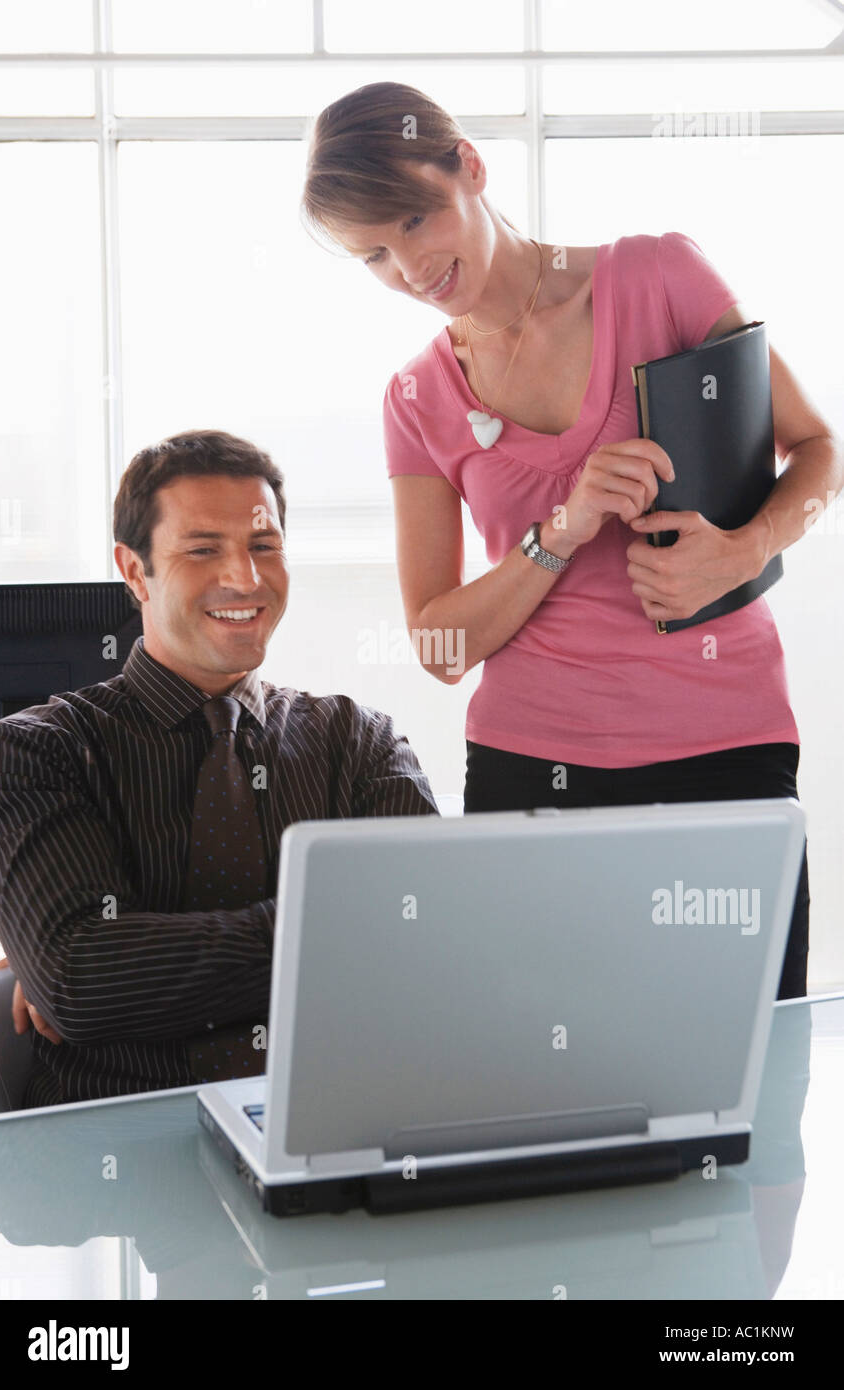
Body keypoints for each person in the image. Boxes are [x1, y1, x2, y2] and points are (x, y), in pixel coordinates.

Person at [301, 82, 844, 999]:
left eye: (414, 220)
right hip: (534, 769)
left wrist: (746, 550)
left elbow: (819, 449)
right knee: (549, 1092)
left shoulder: (659, 278)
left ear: (468, 165)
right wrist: (559, 531)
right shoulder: (418, 399)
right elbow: (440, 642)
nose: (409, 270)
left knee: (744, 1073)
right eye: (375, 257)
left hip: (723, 746)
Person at [0, 430, 438, 1106]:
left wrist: (135, 956)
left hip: (332, 1122)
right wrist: (341, 925)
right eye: (202, 550)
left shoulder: (360, 741)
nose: (244, 578)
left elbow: (432, 940)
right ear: (134, 571)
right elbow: (80, 984)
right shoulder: (36, 751)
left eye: (264, 547)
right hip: (118, 1149)